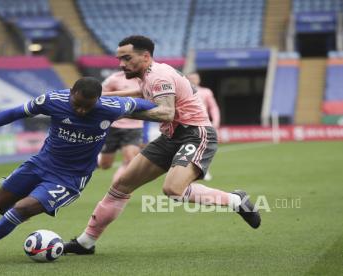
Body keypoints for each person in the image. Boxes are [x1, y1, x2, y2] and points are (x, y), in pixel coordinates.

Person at [64, 35, 261, 255]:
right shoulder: (149, 75)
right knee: (120, 185)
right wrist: (105, 97)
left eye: (127, 58)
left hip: (195, 134)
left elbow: (167, 112)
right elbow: (142, 93)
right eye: (119, 59)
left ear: (145, 56)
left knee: (173, 189)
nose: (121, 64)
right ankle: (85, 242)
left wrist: (117, 110)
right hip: (170, 137)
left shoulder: (159, 76)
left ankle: (236, 200)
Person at [0, 77, 156, 264]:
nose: (82, 111)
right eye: (78, 104)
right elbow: (15, 112)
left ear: (98, 101)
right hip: (40, 164)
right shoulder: (53, 100)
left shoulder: (113, 107)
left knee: (20, 209)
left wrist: (165, 105)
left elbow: (145, 103)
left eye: (88, 107)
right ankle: (24, 209)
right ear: (71, 93)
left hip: (69, 178)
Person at [99, 71, 143, 183]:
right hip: (113, 126)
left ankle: (117, 189)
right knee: (105, 164)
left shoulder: (146, 79)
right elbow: (100, 96)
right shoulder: (114, 78)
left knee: (130, 159)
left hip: (134, 127)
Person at [186, 72, 221, 181]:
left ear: (199, 79)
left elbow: (213, 107)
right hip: (187, 124)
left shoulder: (206, 92)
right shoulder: (183, 91)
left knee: (203, 148)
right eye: (191, 78)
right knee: (188, 148)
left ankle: (204, 169)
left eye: (195, 78)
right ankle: (187, 171)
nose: (193, 80)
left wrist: (215, 121)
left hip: (203, 123)